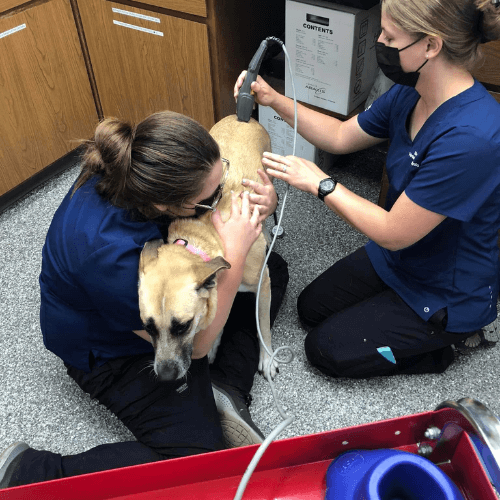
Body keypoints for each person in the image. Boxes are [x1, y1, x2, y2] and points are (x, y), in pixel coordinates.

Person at [0, 111, 289, 487]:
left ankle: (223, 388)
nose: (218, 200)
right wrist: (231, 258)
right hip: (107, 350)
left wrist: (261, 204)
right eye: (209, 198)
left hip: (157, 302)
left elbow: (207, 220)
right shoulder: (115, 263)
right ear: (167, 205)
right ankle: (28, 473)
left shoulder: (136, 166)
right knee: (197, 457)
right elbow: (196, 347)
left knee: (271, 268)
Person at [235, 0, 500, 378]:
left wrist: (321, 184)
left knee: (325, 350)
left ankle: (446, 345)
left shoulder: (471, 138)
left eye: (389, 36)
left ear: (431, 45)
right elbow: (341, 136)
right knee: (310, 308)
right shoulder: (411, 93)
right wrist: (274, 99)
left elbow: (394, 233)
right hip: (402, 258)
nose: (378, 41)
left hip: (445, 289)